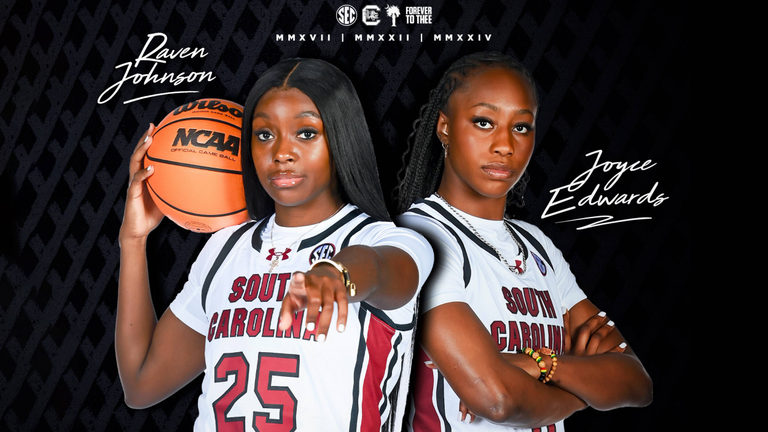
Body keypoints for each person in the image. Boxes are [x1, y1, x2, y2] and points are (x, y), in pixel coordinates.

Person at [116, 58, 433, 432]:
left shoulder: (387, 239)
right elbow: (140, 384)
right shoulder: (225, 249)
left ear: (341, 137)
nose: (281, 152)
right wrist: (133, 241)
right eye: (265, 134)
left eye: (306, 133)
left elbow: (382, 269)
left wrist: (337, 274)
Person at [394, 51, 652, 431]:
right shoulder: (420, 238)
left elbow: (635, 382)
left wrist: (539, 364)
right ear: (444, 128)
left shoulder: (538, 246)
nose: (504, 145)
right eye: (484, 122)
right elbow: (497, 398)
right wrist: (585, 390)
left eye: (521, 127)